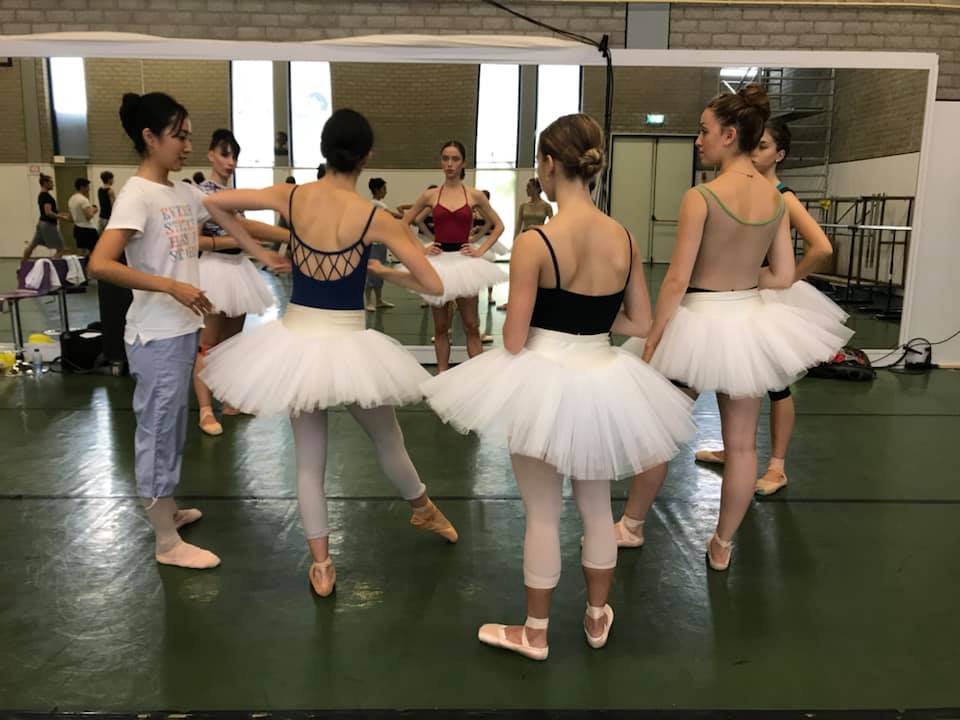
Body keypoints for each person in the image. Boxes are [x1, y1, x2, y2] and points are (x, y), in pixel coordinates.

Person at [422, 114, 695, 661]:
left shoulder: (535, 242)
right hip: (603, 376)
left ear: (549, 164)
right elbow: (641, 322)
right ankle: (596, 618)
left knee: (543, 514)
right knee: (596, 507)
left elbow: (515, 339)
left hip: (544, 379)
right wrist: (591, 322)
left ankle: (536, 631)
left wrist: (557, 323)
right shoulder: (624, 237)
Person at [199, 109, 458, 597]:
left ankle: (321, 564)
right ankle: (422, 508)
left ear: (324, 148)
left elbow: (215, 202)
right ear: (367, 157)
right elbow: (434, 284)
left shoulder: (292, 196)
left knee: (308, 461)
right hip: (350, 344)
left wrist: (258, 252)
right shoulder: (376, 218)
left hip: (296, 341)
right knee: (388, 440)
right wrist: (385, 273)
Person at [618, 86, 852, 571]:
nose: (698, 140)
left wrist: (653, 338)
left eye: (703, 131)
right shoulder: (775, 199)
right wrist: (747, 279)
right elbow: (783, 276)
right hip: (747, 322)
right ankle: (722, 544)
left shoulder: (701, 196)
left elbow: (677, 279)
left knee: (660, 432)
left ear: (729, 135)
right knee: (743, 445)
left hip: (697, 321)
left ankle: (632, 526)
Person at [88, 92, 284, 570]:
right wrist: (170, 285)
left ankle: (168, 510)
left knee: (173, 428)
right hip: (154, 334)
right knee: (157, 431)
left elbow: (233, 218)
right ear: (149, 137)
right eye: (179, 135)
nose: (188, 145)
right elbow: (100, 263)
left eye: (190, 135)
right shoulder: (137, 195)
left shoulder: (182, 192)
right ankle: (165, 542)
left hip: (180, 330)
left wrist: (279, 244)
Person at [694, 119, 843, 496]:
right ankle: (733, 448)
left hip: (767, 294)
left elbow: (821, 248)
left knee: (776, 385)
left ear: (779, 155)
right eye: (753, 145)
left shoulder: (780, 195)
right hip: (737, 294)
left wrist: (785, 279)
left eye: (763, 147)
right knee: (734, 378)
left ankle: (777, 466)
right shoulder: (740, 190)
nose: (754, 152)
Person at [191, 128, 288, 436]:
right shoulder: (201, 193)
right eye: (224, 154)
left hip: (238, 270)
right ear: (211, 155)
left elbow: (246, 231)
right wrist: (231, 241)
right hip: (213, 269)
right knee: (207, 344)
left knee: (232, 344)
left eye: (234, 156)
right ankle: (205, 409)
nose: (230, 161)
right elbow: (194, 241)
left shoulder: (234, 195)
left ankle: (229, 399)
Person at [402, 142, 507, 371]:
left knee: (471, 325)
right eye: (445, 158)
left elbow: (499, 225)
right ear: (441, 162)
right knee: (440, 327)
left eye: (455, 159)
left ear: (463, 163)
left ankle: (478, 376)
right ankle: (442, 375)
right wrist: (421, 249)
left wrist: (480, 250)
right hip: (439, 263)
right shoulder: (430, 195)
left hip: (464, 262)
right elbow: (404, 223)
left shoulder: (474, 195)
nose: (449, 164)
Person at [497, 178, 553, 312]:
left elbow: (553, 225)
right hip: (524, 240)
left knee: (538, 273)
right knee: (518, 272)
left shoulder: (546, 206)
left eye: (529, 187)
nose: (526, 189)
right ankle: (512, 302)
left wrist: (537, 227)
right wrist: (514, 243)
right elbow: (518, 226)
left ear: (537, 189)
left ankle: (537, 303)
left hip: (539, 241)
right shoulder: (523, 206)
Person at [364, 177, 401, 311]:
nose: (386, 191)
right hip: (373, 244)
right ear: (377, 190)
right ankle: (368, 302)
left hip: (380, 243)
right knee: (372, 272)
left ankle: (379, 300)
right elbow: (392, 215)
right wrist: (409, 218)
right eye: (384, 189)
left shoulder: (378, 203)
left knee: (380, 272)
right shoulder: (376, 204)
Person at [23, 174, 69, 260]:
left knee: (32, 245)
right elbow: (48, 213)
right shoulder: (45, 196)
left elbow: (50, 211)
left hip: (41, 224)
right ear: (45, 183)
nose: (53, 184)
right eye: (51, 182)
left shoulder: (42, 195)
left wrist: (63, 214)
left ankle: (23, 264)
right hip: (48, 225)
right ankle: (50, 266)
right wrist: (62, 218)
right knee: (61, 248)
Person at [68, 177, 100, 256]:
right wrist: (94, 210)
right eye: (87, 187)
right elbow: (89, 216)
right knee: (95, 252)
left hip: (77, 228)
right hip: (87, 230)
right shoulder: (83, 200)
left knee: (82, 253)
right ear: (82, 187)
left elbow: (71, 218)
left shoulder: (71, 199)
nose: (89, 189)